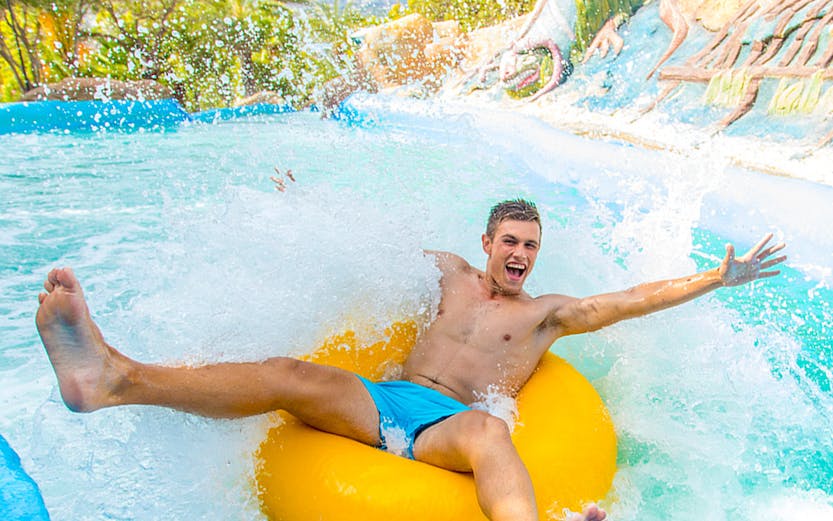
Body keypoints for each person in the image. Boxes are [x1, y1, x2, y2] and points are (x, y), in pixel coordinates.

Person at [36, 199, 786, 521]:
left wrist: (713, 277)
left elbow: (629, 297)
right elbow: (358, 240)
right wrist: (293, 206)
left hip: (451, 425)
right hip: (384, 402)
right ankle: (113, 377)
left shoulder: (544, 314)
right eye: (510, 242)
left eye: (531, 245)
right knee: (288, 373)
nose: (520, 254)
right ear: (487, 242)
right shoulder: (450, 275)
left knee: (491, 436)